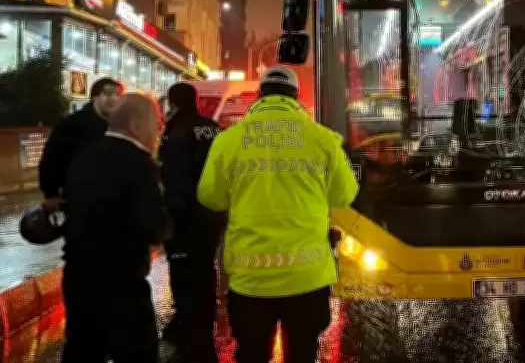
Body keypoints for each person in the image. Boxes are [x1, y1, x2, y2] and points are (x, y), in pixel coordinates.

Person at [197, 66, 359, 363]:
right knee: (302, 353)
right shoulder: (323, 140)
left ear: (259, 95)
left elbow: (211, 198)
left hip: (251, 277)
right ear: (296, 97)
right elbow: (344, 195)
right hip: (307, 277)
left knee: (252, 354)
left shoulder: (229, 141)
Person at [60, 93, 172, 363]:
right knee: (138, 354)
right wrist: (168, 226)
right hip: (121, 283)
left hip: (78, 277)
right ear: (135, 125)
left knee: (82, 352)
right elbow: (153, 226)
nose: (160, 129)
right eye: (156, 121)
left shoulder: (85, 154)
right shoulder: (139, 163)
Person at [158, 82, 224, 362]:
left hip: (187, 218)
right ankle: (204, 326)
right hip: (213, 214)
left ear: (173, 102)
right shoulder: (213, 128)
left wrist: (170, 219)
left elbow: (176, 178)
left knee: (183, 276)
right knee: (205, 269)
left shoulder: (176, 131)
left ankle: (190, 333)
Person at [38, 77, 122, 211]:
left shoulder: (119, 126)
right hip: (78, 200)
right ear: (94, 97)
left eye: (117, 94)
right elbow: (52, 160)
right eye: (107, 94)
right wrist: (51, 193)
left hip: (111, 202)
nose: (114, 98)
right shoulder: (71, 124)